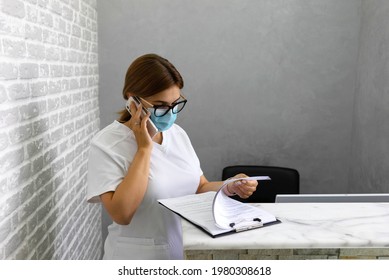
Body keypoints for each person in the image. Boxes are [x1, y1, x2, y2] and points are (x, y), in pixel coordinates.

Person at [86, 53, 258, 259]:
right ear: (133, 102)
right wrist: (144, 149)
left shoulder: (177, 134)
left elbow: (199, 186)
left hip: (180, 253)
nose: (170, 113)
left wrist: (229, 185)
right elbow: (122, 214)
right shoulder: (107, 144)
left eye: (175, 104)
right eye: (160, 106)